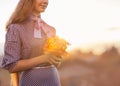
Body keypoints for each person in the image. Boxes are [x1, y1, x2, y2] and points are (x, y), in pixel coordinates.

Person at [1, 0, 62, 86]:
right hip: (31, 80)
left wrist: (56, 58)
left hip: (52, 78)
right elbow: (12, 65)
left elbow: (54, 62)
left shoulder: (50, 29)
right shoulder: (16, 28)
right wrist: (44, 58)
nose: (45, 1)